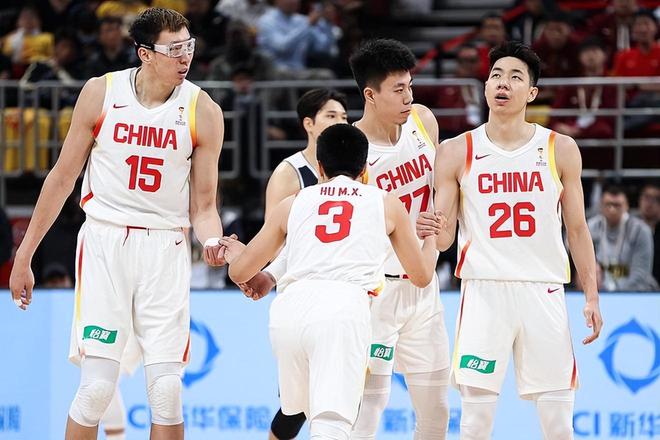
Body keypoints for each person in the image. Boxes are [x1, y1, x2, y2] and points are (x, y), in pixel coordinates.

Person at [9, 8, 225, 440]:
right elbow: (62, 178)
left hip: (166, 245)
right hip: (105, 242)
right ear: (145, 54)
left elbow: (203, 207)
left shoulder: (203, 109)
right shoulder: (101, 92)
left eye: (189, 46)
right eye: (174, 49)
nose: (185, 56)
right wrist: (24, 255)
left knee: (167, 392)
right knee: (95, 391)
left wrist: (213, 241)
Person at [419, 41, 603, 439]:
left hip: (543, 289)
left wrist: (591, 295)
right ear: (486, 87)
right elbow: (445, 237)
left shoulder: (560, 148)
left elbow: (577, 229)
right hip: (484, 290)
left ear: (532, 93)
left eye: (515, 77)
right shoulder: (455, 150)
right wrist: (430, 228)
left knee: (559, 424)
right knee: (475, 423)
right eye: (496, 75)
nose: (503, 83)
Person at [221, 123, 442, 440]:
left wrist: (236, 255)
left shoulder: (294, 201)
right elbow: (420, 277)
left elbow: (240, 273)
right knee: (331, 424)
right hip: (342, 309)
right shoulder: (385, 202)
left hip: (288, 311)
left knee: (300, 411)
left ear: (320, 167)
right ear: (364, 169)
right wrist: (431, 239)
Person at [348, 38, 450, 440]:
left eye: (410, 86)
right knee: (368, 410)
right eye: (398, 89)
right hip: (377, 293)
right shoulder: (351, 151)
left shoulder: (423, 120)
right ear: (370, 95)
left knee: (436, 412)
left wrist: (438, 234)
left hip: (424, 290)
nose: (408, 97)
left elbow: (443, 193)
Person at [263, 88, 348, 440]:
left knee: (339, 398)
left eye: (344, 116)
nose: (340, 122)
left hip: (343, 294)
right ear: (309, 124)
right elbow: (272, 242)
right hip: (300, 293)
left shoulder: (356, 171)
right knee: (295, 406)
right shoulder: (290, 173)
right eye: (331, 116)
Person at [588, 184, 657, 291]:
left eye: (617, 205)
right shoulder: (591, 228)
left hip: (635, 292)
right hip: (599, 289)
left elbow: (641, 273)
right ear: (601, 206)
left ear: (626, 206)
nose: (612, 209)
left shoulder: (641, 231)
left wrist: (618, 292)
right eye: (608, 204)